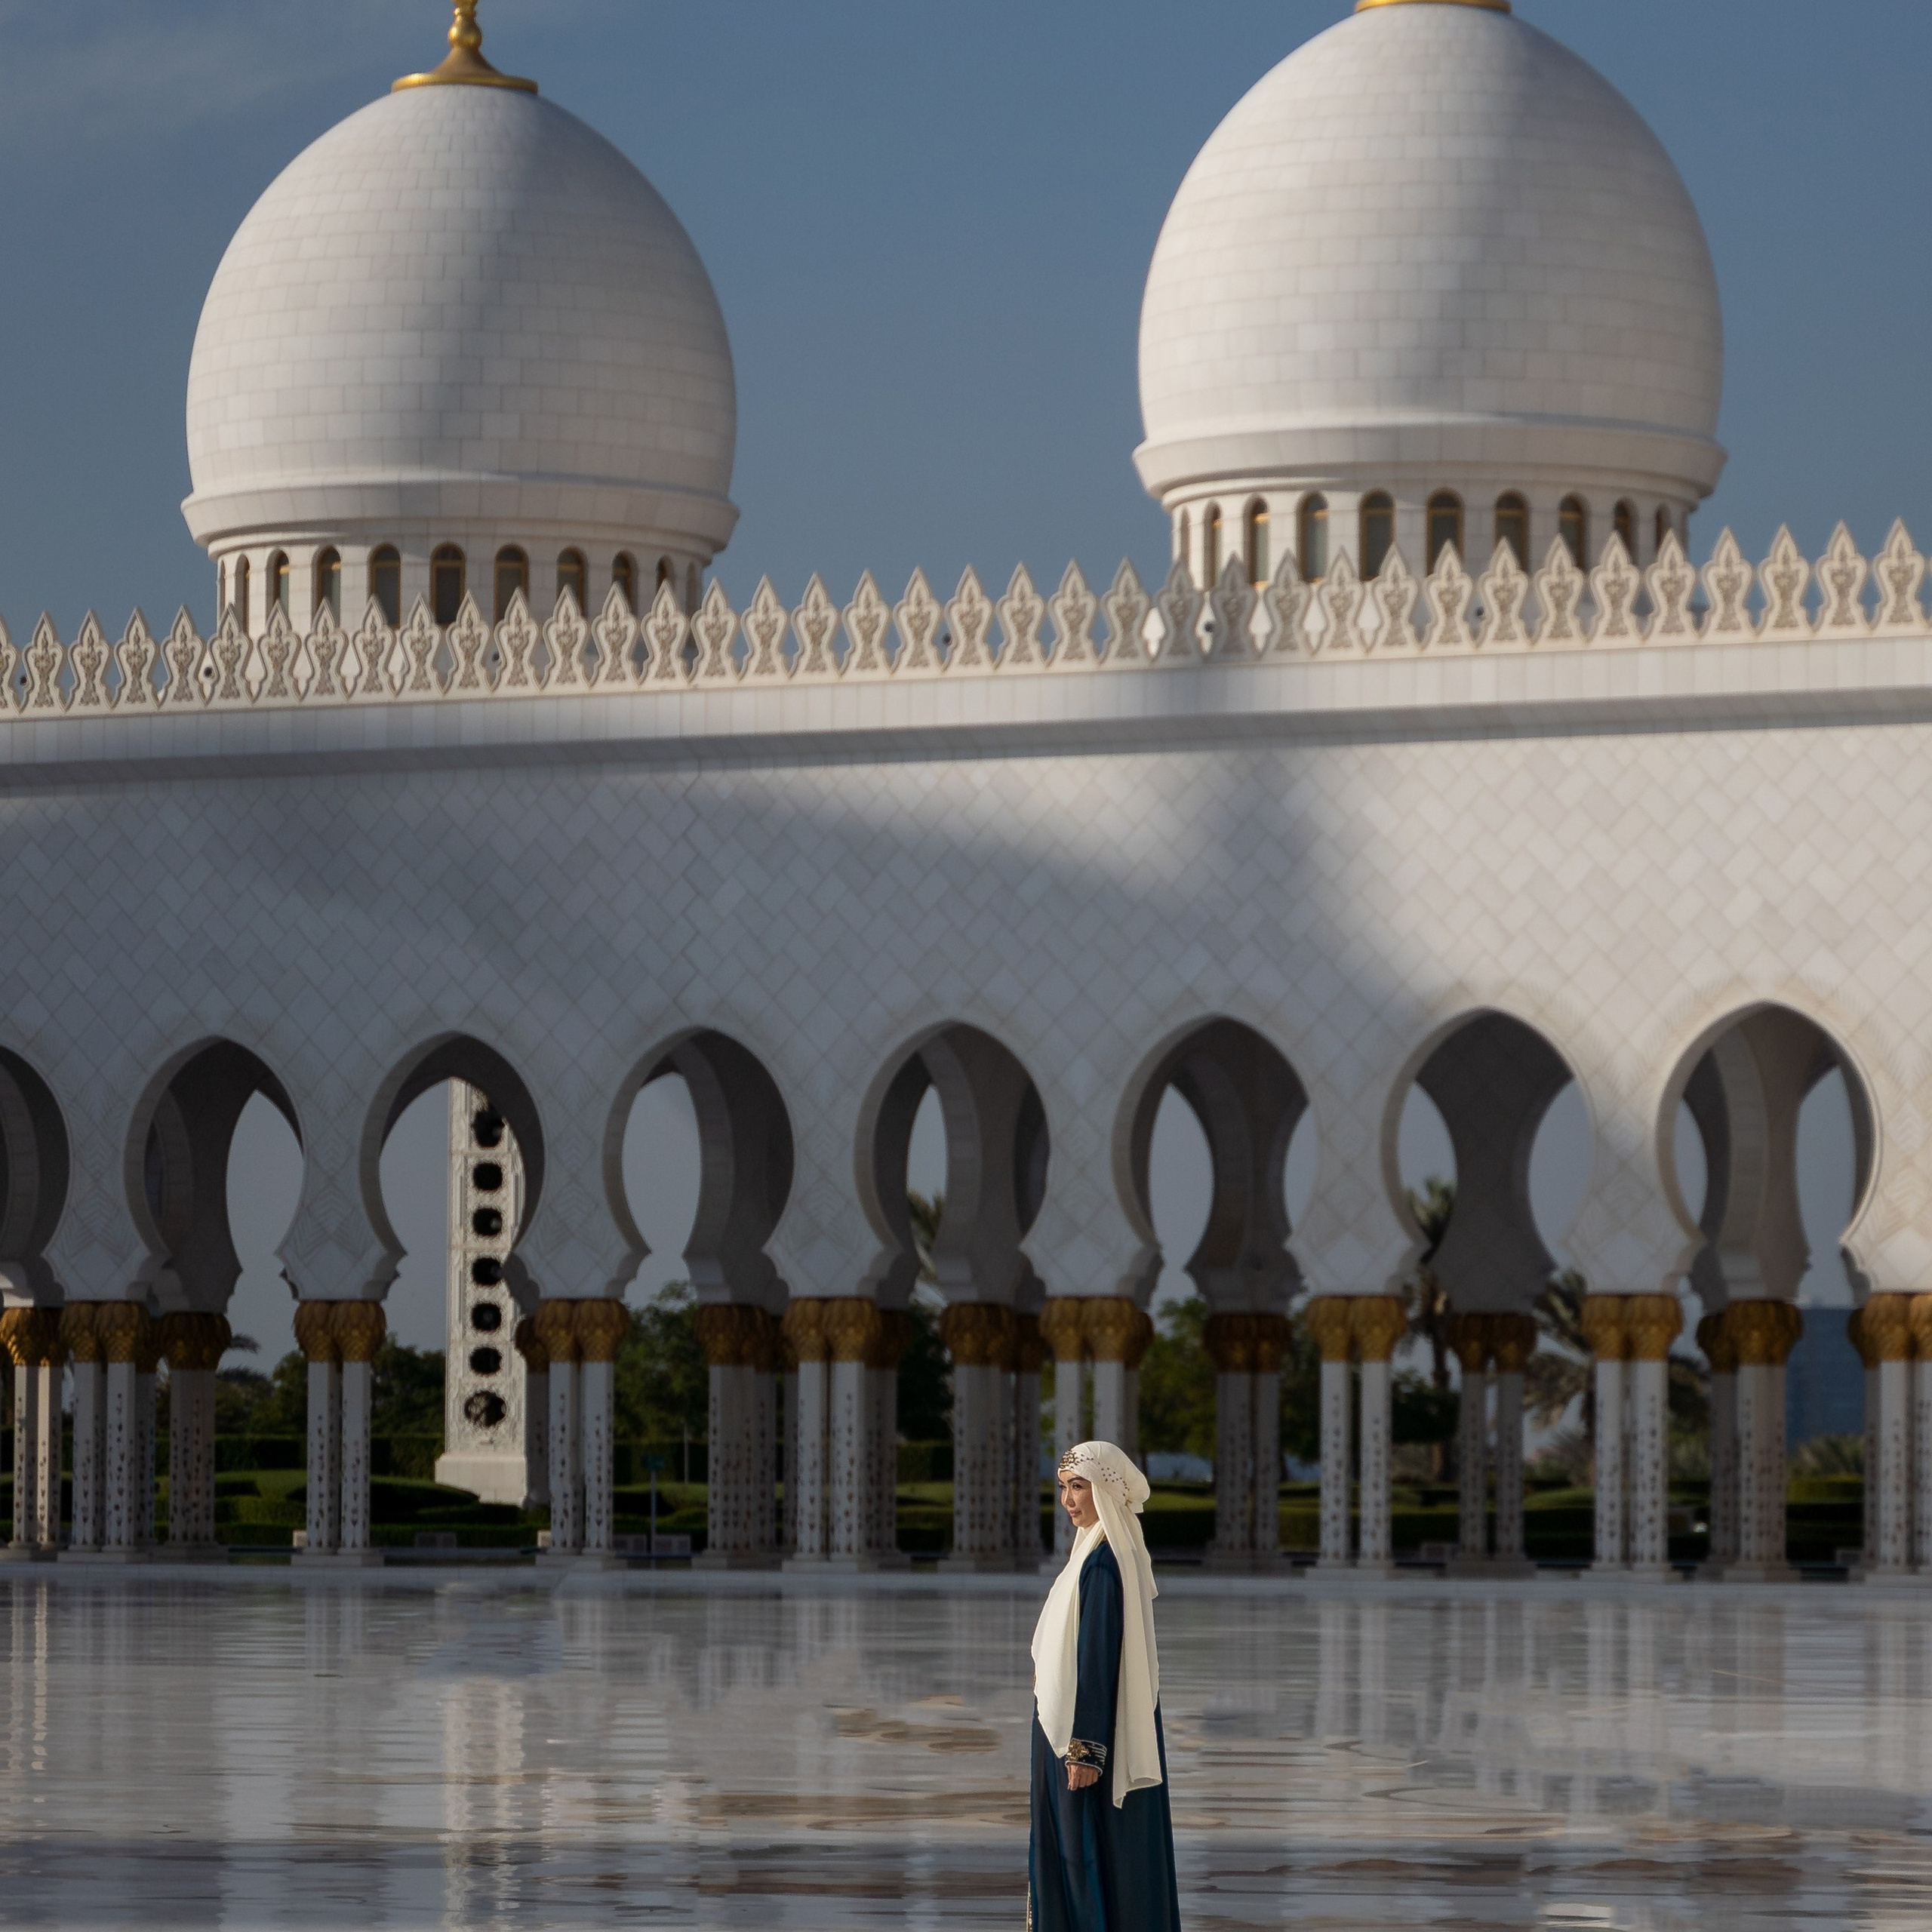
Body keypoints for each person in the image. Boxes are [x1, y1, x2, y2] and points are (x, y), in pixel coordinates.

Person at [1027, 1440, 1183, 1932]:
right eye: (1064, 1489)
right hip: (1090, 1729)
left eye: (1079, 1487)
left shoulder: (1101, 1565)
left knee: (1085, 1853)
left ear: (1105, 1491)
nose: (1069, 1501)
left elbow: (1098, 1658)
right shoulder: (1096, 1554)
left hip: (1088, 1738)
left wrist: (1086, 1750)